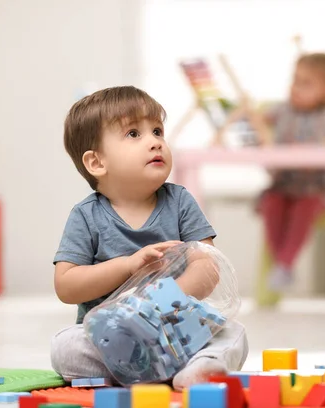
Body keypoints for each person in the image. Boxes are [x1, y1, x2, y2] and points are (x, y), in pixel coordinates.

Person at [50, 86, 248, 390]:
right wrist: (127, 266)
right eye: (134, 134)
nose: (155, 142)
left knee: (233, 334)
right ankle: (134, 370)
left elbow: (207, 265)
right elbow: (67, 286)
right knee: (65, 346)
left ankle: (196, 369)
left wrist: (165, 302)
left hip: (180, 332)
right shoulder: (86, 216)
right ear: (97, 163)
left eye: (157, 130)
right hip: (114, 341)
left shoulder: (180, 201)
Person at [256, 52, 325, 291]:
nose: (296, 87)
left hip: (323, 187)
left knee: (306, 205)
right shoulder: (281, 111)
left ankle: (284, 264)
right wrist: (251, 122)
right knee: (271, 202)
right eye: (295, 80)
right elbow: (257, 121)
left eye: (306, 83)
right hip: (287, 185)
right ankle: (282, 264)